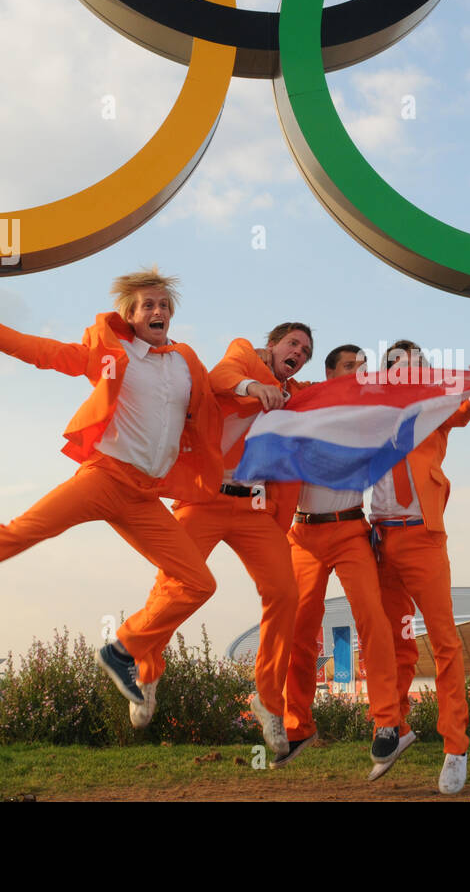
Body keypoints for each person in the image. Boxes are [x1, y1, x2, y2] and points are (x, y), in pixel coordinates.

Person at [0, 269, 223, 711]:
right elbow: (45, 353)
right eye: (148, 304)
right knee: (19, 532)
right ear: (130, 315)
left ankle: (123, 648)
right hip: (104, 477)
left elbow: (216, 397)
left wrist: (250, 385)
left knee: (198, 582)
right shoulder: (112, 352)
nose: (158, 311)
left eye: (164, 305)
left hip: (146, 496)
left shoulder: (186, 362)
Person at [122, 323, 314, 755]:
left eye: (305, 350)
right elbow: (219, 378)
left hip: (254, 509)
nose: (299, 352)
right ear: (272, 345)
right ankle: (147, 671)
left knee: (285, 593)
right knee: (174, 588)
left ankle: (267, 702)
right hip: (205, 500)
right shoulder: (243, 357)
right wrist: (253, 385)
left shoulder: (296, 396)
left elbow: (339, 395)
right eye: (293, 344)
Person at [273, 345, 407, 778]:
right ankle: (298, 725)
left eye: (362, 369)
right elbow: (273, 388)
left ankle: (387, 722)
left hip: (350, 529)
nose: (358, 374)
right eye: (350, 367)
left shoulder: (370, 412)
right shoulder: (305, 401)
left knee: (372, 617)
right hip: (303, 533)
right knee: (299, 629)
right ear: (329, 373)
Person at [370, 340, 470, 795]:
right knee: (390, 641)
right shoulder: (371, 418)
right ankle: (394, 727)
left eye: (417, 364)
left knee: (444, 643)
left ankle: (455, 748)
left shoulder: (434, 411)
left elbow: (465, 408)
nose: (408, 370)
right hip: (379, 541)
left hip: (422, 537)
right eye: (397, 364)